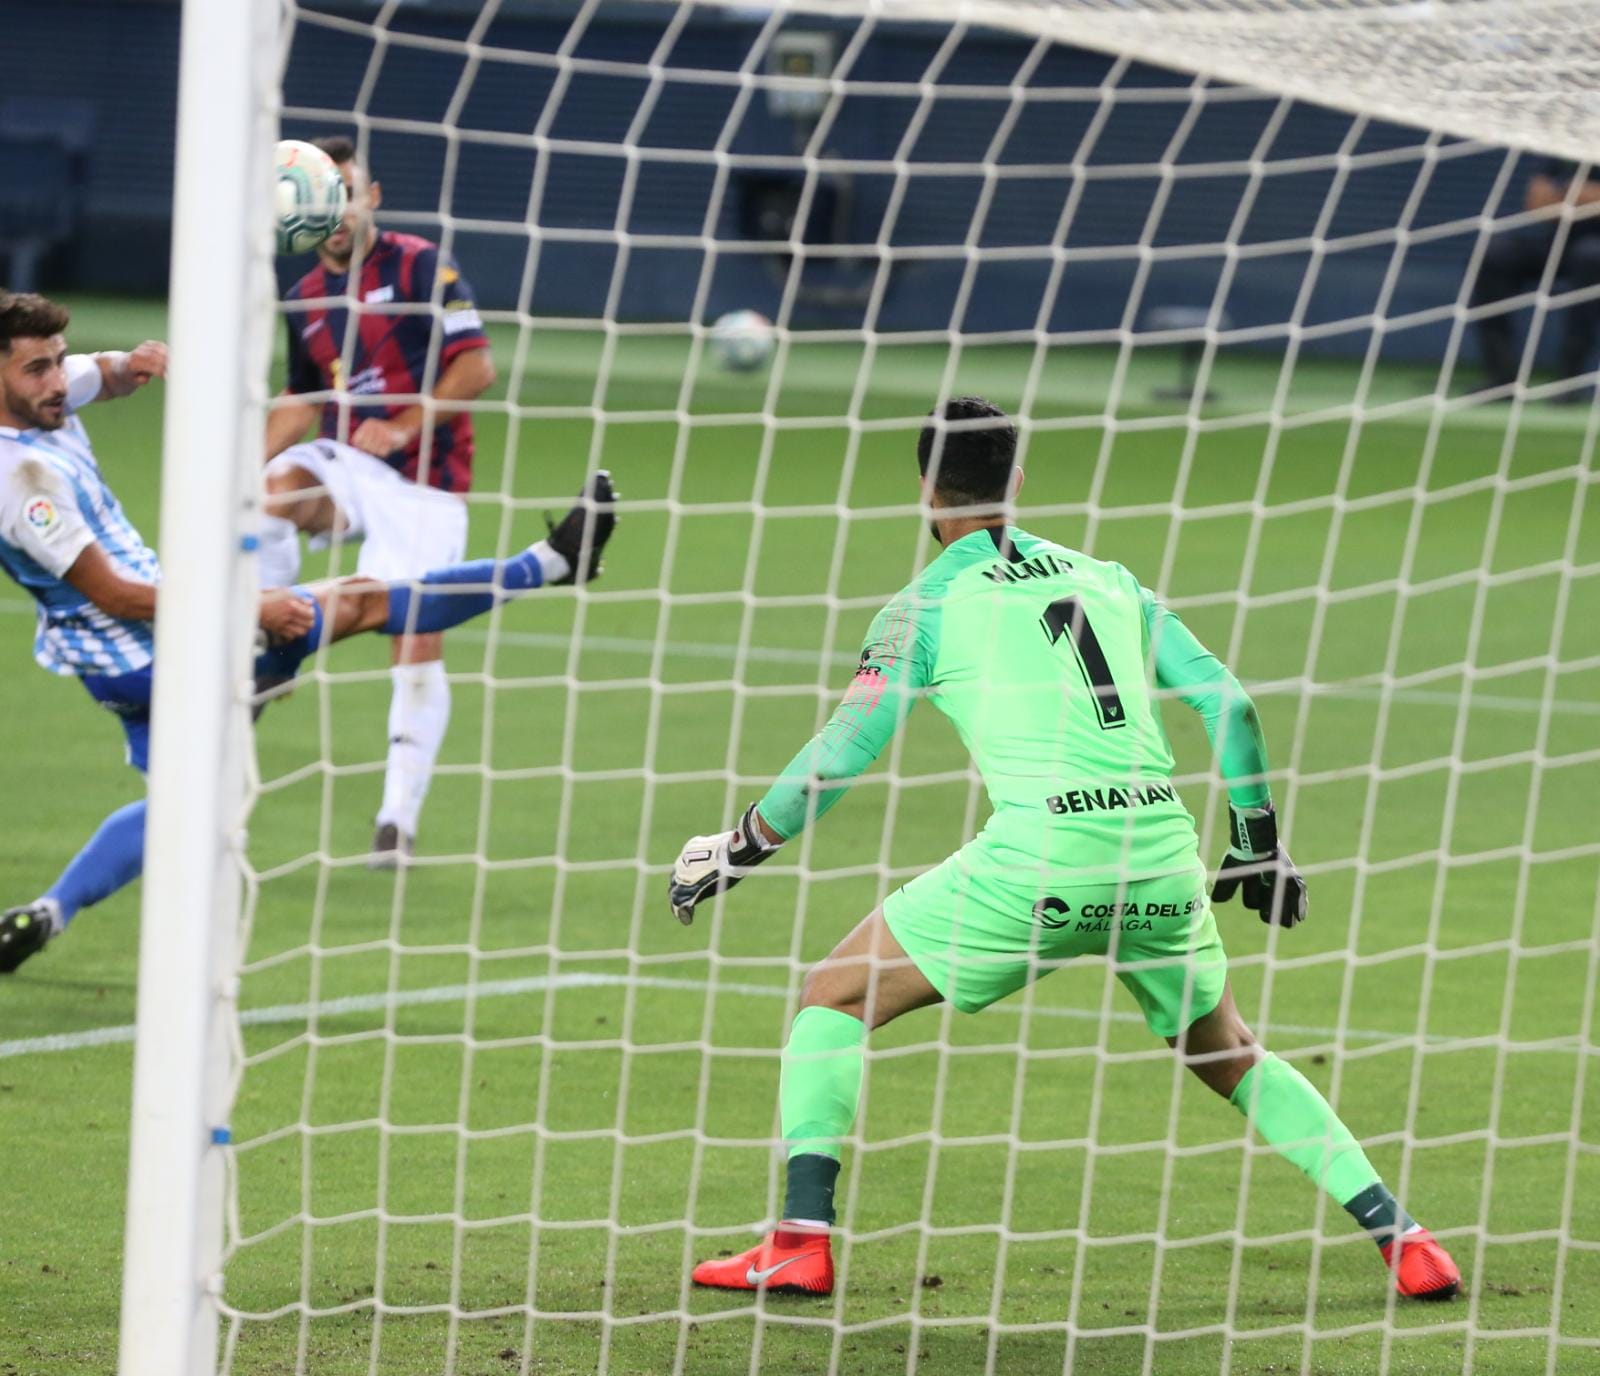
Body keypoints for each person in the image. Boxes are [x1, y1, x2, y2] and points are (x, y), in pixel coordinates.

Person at [667, 397, 1461, 1304]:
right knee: (1228, 1050)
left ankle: (800, 1241)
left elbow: (847, 747)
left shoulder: (923, 604)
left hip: (1039, 862)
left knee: (833, 995)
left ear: (927, 488)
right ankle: (1406, 1239)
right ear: (1017, 481)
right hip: (1162, 855)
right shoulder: (1113, 581)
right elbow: (1229, 703)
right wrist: (1256, 844)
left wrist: (741, 847)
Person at [0, 290, 618, 974]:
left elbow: (102, 374)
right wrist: (248, 613)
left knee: (182, 806)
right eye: (38, 370)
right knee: (357, 601)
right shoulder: (19, 479)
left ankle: (44, 914)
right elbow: (114, 593)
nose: (58, 380)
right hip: (157, 651)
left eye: (58, 361)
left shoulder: (45, 403)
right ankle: (550, 564)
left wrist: (132, 364)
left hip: (117, 671)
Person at [260, 134, 498, 867]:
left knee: (412, 639)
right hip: (349, 466)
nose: (335, 211)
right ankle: (264, 649)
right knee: (268, 495)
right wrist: (233, 472)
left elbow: (478, 368)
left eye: (346, 192)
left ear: (372, 198)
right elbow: (303, 397)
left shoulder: (423, 263)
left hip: (429, 481)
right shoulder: (304, 296)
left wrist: (401, 427)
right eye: (320, 196)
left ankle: (397, 819)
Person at [1471, 157, 1600, 396]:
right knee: (1497, 255)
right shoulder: (1568, 137)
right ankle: (1501, 377)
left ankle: (1570, 381)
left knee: (1590, 258)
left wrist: (1571, 195)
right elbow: (1537, 200)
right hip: (1563, 241)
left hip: (1592, 251)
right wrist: (1583, 197)